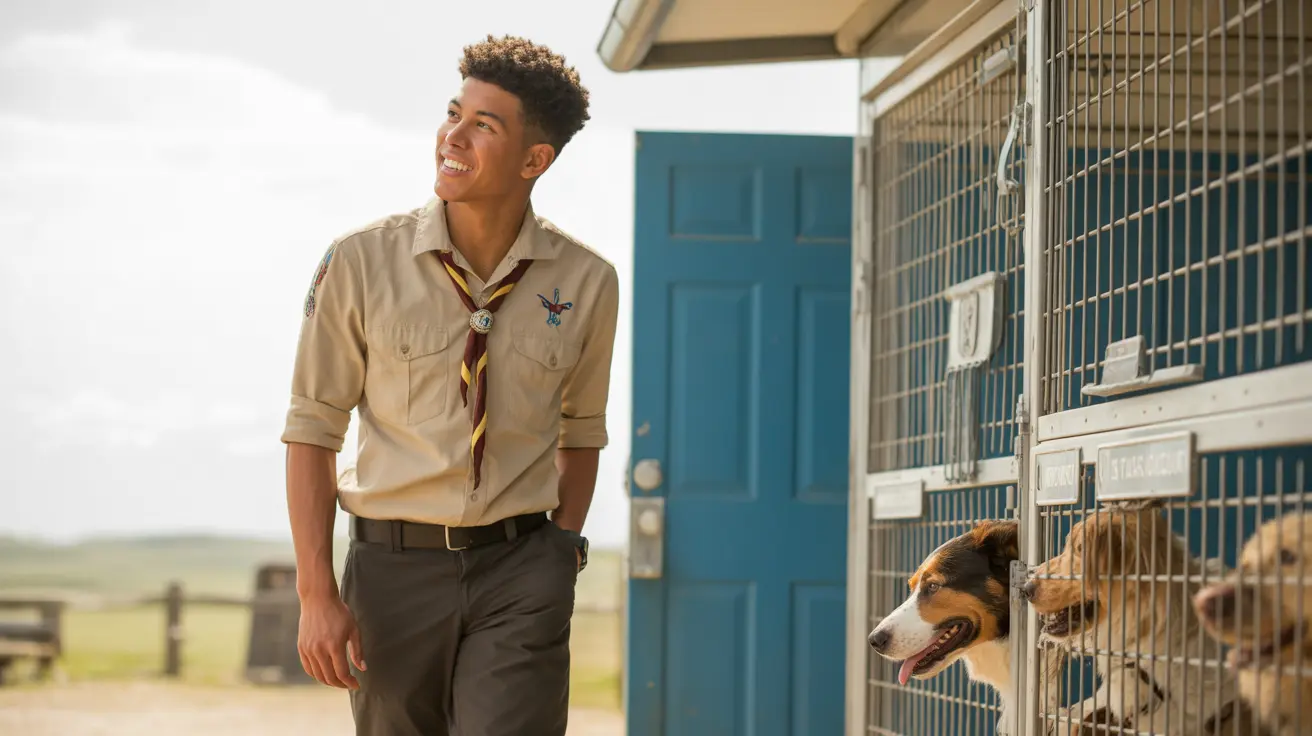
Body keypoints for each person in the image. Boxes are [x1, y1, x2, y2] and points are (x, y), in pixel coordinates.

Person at [279, 34, 618, 736]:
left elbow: (581, 433)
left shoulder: (587, 282)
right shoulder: (360, 262)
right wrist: (316, 591)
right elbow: (313, 429)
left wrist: (560, 553)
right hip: (392, 574)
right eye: (453, 114)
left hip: (522, 569)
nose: (452, 136)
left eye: (482, 125)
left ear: (535, 160)